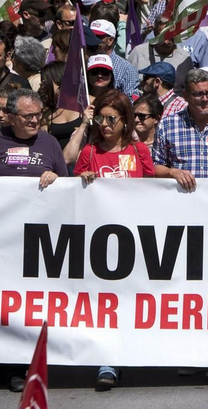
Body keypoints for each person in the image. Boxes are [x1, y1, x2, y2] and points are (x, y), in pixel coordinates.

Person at [71, 90, 152, 391]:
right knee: (106, 302)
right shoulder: (89, 153)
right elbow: (73, 194)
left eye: (111, 119)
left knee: (132, 300)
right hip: (99, 242)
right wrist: (85, 180)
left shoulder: (139, 151)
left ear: (125, 121)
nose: (105, 124)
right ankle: (108, 360)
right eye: (101, 118)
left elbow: (151, 189)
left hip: (134, 239)